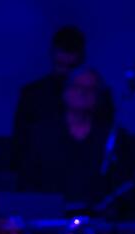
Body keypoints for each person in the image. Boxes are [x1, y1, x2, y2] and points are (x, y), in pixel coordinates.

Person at [17, 66, 122, 211]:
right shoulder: (41, 135)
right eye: (78, 87)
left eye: (91, 89)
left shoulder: (112, 137)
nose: (83, 93)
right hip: (50, 217)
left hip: (98, 217)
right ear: (66, 91)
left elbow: (120, 187)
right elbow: (29, 182)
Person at [11, 26, 113, 161]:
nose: (65, 73)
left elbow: (106, 142)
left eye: (71, 67)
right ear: (52, 54)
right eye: (60, 65)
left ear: (82, 59)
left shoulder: (99, 96)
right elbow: (20, 145)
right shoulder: (32, 96)